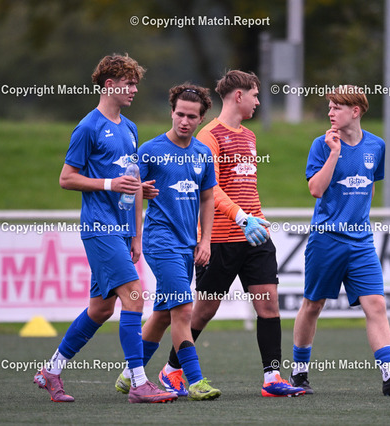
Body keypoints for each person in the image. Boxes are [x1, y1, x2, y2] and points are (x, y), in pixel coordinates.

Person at [33, 54, 176, 403]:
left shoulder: (130, 128)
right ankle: (139, 383)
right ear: (109, 85)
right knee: (135, 296)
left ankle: (50, 371)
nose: (135, 89)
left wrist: (137, 231)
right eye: (129, 83)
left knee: (100, 309)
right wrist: (110, 184)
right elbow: (67, 178)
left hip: (122, 231)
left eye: (136, 83)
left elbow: (132, 180)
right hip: (99, 227)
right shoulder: (88, 127)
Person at [157, 70, 305, 397]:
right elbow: (210, 190)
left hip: (255, 238)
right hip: (220, 240)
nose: (258, 102)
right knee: (203, 311)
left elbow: (245, 187)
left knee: (268, 304)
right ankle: (171, 370)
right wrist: (240, 217)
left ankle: (272, 378)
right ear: (239, 96)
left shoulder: (249, 136)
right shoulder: (209, 135)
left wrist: (257, 219)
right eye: (255, 95)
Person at [290, 85, 390, 396]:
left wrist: (357, 218)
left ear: (355, 111)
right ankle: (299, 373)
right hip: (326, 239)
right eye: (329, 106)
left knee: (376, 304)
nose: (330, 112)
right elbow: (316, 189)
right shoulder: (322, 145)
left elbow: (370, 187)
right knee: (313, 305)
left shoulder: (376, 146)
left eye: (336, 107)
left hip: (361, 242)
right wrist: (334, 153)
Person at [113, 83, 221, 400]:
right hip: (161, 242)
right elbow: (126, 194)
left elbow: (208, 198)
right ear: (171, 112)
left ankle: (129, 376)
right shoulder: (150, 150)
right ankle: (195, 381)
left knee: (163, 314)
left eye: (191, 116)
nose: (184, 121)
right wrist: (136, 197)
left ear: (201, 119)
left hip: (189, 244)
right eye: (179, 114)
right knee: (184, 310)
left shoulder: (203, 153)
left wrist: (205, 241)